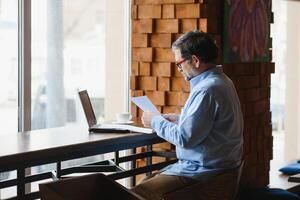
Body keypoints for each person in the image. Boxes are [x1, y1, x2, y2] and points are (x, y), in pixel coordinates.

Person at [131, 30, 244, 200]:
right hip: (220, 169)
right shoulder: (223, 81)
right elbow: (211, 124)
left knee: (135, 193)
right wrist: (179, 119)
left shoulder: (206, 89)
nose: (179, 69)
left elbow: (185, 138)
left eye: (180, 63)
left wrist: (155, 121)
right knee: (146, 180)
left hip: (203, 172)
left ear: (195, 60)